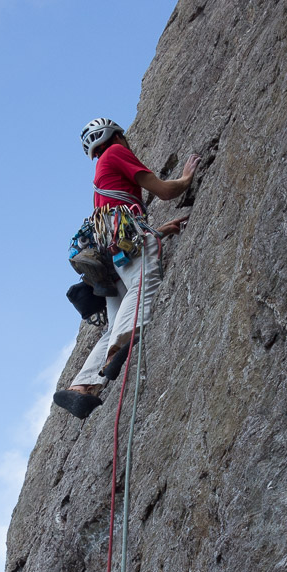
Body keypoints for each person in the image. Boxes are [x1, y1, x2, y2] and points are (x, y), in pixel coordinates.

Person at [53, 118, 199, 419]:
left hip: (111, 251)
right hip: (124, 237)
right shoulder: (115, 154)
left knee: (115, 319)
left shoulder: (101, 172)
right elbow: (164, 191)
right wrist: (184, 180)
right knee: (143, 283)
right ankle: (121, 347)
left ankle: (81, 387)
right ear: (115, 135)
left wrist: (159, 231)